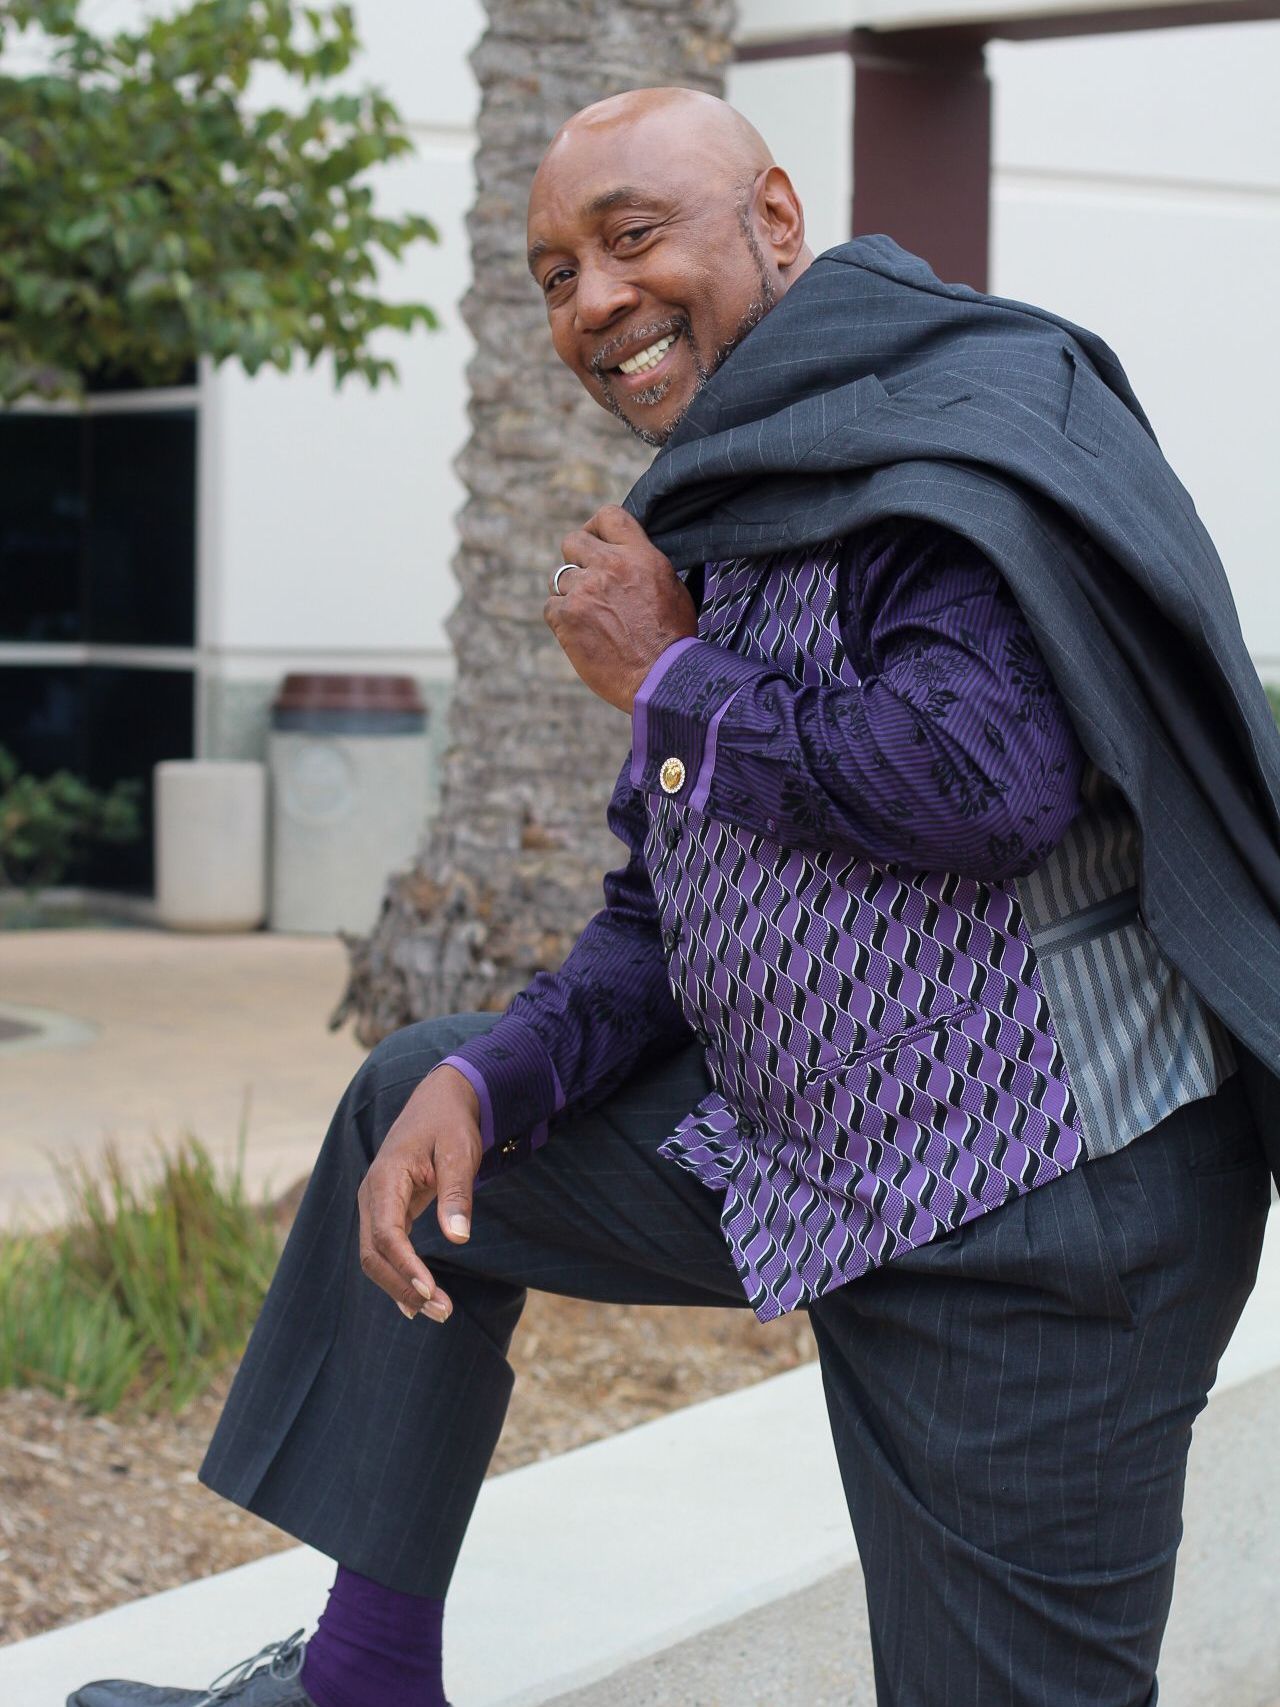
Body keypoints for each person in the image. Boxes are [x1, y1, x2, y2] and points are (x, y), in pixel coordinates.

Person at [71, 87, 1277, 1707]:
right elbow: (673, 904)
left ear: (774, 222)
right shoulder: (735, 493)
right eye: (554, 274)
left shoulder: (953, 439)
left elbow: (987, 789)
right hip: (814, 1147)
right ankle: (359, 1682)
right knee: (416, 1117)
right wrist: (493, 1077)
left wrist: (672, 676)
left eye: (631, 238)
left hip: (1042, 1215)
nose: (594, 303)